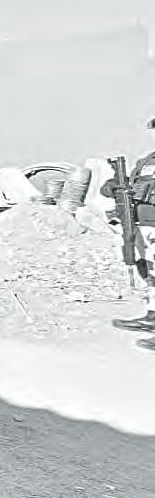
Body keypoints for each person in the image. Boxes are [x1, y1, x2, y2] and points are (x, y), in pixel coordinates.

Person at [106, 120, 155, 349]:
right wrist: (115, 187)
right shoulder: (147, 161)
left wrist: (147, 192)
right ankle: (152, 316)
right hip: (144, 225)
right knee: (149, 271)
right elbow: (128, 186)